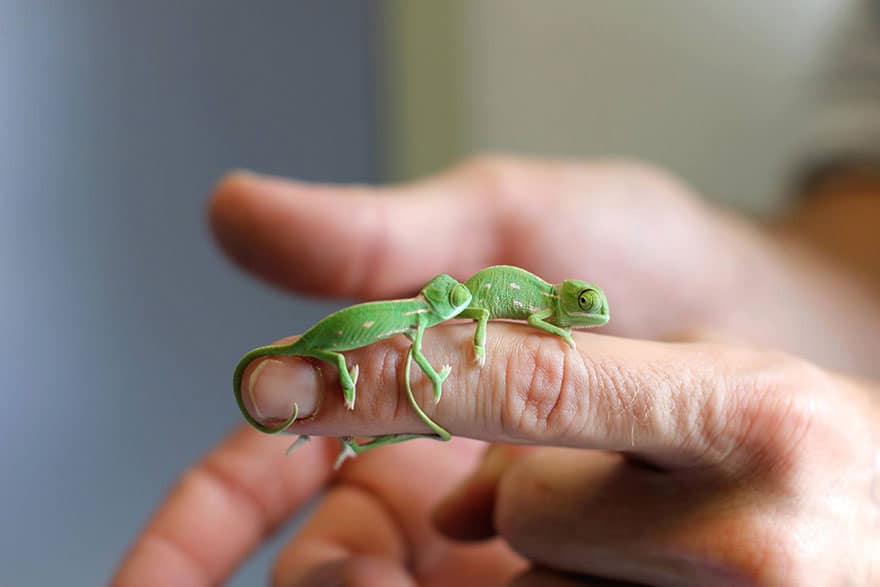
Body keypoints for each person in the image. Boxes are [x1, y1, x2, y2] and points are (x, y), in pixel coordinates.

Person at [110, 154, 880, 585]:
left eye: (582, 305)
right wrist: (746, 285)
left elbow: (547, 331)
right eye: (579, 302)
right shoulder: (532, 303)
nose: (584, 312)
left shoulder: (555, 314)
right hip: (468, 311)